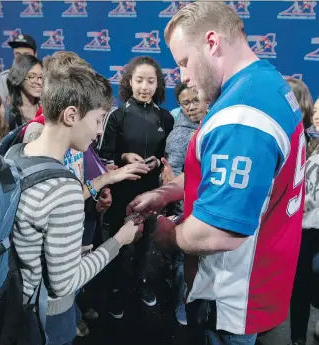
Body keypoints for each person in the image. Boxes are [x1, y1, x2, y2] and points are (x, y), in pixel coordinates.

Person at [127, 2, 305, 345]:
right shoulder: (267, 82)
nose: (183, 77)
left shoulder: (242, 115)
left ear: (212, 42)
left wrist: (167, 235)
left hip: (233, 297)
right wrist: (167, 193)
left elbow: (220, 231)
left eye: (184, 62)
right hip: (263, 281)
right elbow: (235, 178)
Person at [11, 54, 146, 345]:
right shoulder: (64, 189)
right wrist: (120, 240)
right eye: (97, 120)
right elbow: (66, 283)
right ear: (71, 115)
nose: (99, 132)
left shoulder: (14, 153)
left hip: (13, 307)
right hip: (46, 320)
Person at [99, 55, 174, 318]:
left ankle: (140, 286)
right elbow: (103, 155)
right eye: (139, 80)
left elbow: (169, 157)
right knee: (119, 246)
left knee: (146, 246)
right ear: (129, 82)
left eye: (151, 81)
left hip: (152, 194)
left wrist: (165, 169)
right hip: (122, 194)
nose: (145, 86)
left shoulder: (165, 118)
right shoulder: (116, 116)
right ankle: (116, 292)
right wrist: (123, 158)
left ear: (158, 84)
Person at [162, 83, 208, 326]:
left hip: (211, 208)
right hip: (187, 210)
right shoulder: (180, 135)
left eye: (195, 100)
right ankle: (183, 305)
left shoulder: (217, 124)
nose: (191, 107)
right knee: (183, 264)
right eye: (185, 103)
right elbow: (173, 176)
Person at [285, 80, 319, 345]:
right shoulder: (303, 142)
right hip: (299, 229)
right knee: (299, 285)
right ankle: (297, 338)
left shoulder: (309, 141)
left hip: (313, 230)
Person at [6, 54, 42, 130]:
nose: (40, 82)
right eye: (32, 76)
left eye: (41, 77)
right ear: (19, 77)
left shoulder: (46, 109)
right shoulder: (6, 112)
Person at [0, 33, 37, 103]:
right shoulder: (5, 77)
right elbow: (0, 106)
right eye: (18, 54)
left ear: (35, 54)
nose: (22, 59)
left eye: (26, 55)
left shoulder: (45, 77)